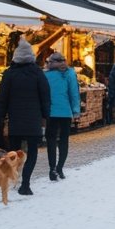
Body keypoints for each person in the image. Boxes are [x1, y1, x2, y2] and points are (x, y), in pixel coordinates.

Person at [0, 40, 50, 193]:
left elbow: (2, 97)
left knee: (14, 152)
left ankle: (14, 178)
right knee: (32, 151)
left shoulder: (9, 74)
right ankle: (26, 183)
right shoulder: (38, 73)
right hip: (34, 119)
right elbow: (45, 95)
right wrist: (46, 115)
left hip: (16, 120)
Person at [44, 52, 81, 180]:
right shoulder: (70, 73)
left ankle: (52, 169)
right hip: (65, 112)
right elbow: (74, 94)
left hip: (51, 113)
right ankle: (60, 168)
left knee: (51, 141)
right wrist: (76, 111)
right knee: (64, 141)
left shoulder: (46, 75)